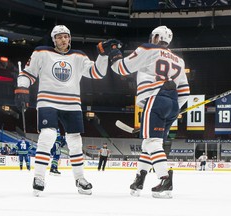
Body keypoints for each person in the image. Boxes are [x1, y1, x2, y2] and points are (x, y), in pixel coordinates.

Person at [14, 25, 118, 196]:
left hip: (72, 103)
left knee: (75, 141)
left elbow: (97, 73)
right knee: (48, 135)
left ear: (70, 38)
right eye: (59, 37)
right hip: (48, 100)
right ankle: (39, 177)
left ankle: (80, 179)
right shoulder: (41, 52)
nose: (63, 39)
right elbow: (27, 73)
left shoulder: (79, 56)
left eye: (66, 36)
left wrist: (103, 55)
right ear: (54, 39)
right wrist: (22, 89)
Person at [109, 26, 190, 198]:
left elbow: (121, 68)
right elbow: (184, 92)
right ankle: (140, 179)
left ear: (155, 37)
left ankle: (164, 178)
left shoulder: (148, 49)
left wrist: (114, 52)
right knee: (148, 143)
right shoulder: (179, 61)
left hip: (155, 99)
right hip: (173, 103)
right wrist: (174, 110)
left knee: (152, 142)